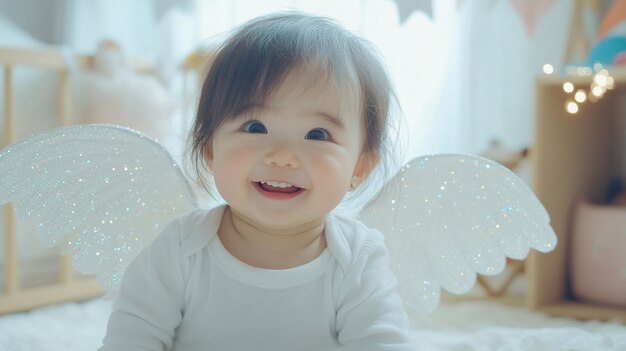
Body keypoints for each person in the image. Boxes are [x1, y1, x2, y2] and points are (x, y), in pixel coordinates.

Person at [99, 11, 415, 350]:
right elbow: (132, 336)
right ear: (210, 149)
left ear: (359, 168)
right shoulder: (180, 250)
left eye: (317, 134)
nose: (282, 155)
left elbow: (382, 341)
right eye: (255, 127)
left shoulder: (357, 260)